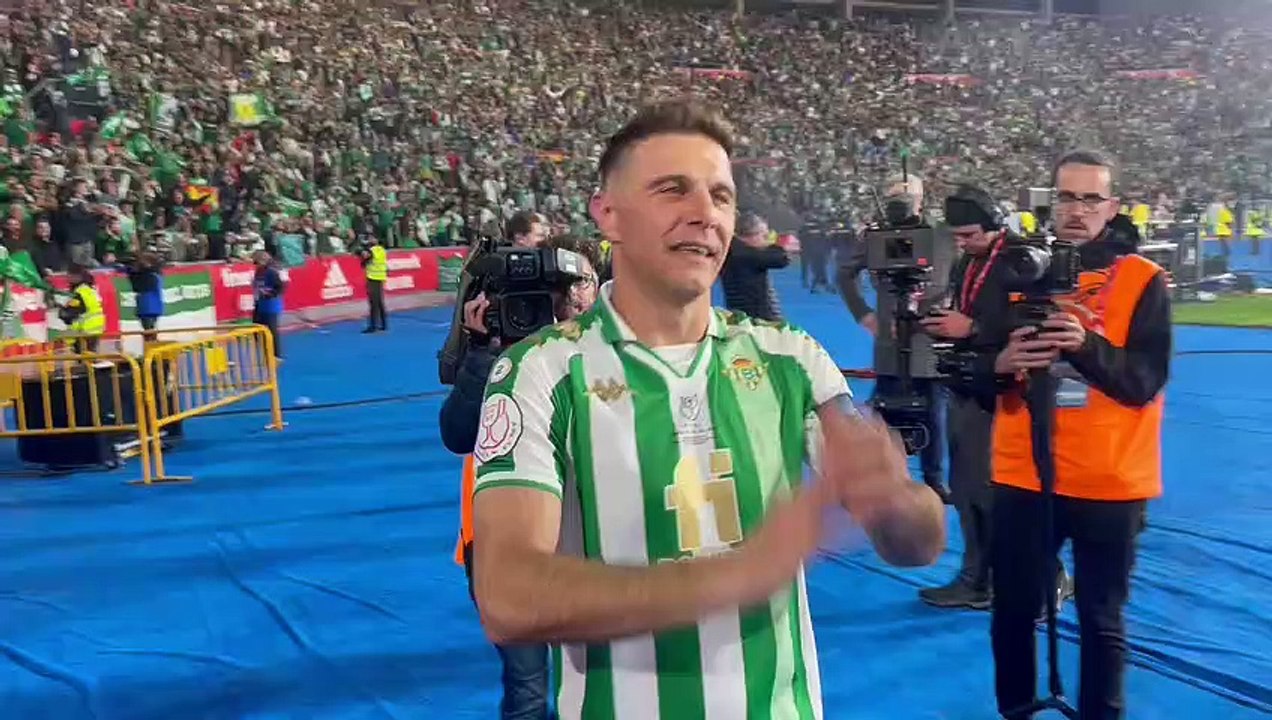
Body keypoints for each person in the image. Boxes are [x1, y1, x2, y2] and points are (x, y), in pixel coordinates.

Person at [470, 99, 946, 718]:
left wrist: (897, 502)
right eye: (673, 190)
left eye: (721, 197)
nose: (705, 215)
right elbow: (507, 598)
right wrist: (737, 575)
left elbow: (915, 547)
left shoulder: (790, 356)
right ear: (608, 214)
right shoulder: (540, 371)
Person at [983, 149, 1171, 720]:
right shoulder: (1016, 269)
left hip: (1109, 481)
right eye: (1066, 196)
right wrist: (999, 361)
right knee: (1012, 609)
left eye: (1091, 198)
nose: (1077, 209)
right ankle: (1015, 709)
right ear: (1050, 201)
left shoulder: (1143, 280)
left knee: (1101, 618)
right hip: (1022, 471)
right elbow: (973, 369)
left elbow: (1143, 381)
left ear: (1111, 207)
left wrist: (1083, 346)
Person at [441, 234, 602, 720]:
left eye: (583, 284)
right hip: (502, 553)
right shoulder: (496, 353)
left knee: (599, 686)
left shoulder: (612, 349)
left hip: (592, 547)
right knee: (528, 692)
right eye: (564, 288)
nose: (572, 298)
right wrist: (484, 351)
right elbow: (458, 433)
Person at [917, 186, 1072, 612]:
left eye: (968, 234)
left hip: (1010, 396)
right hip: (970, 384)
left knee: (996, 494)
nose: (961, 243)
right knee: (967, 493)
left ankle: (1047, 575)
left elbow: (1036, 326)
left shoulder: (1021, 261)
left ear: (993, 223)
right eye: (958, 236)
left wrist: (970, 328)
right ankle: (977, 580)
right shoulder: (971, 259)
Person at [837, 174, 949, 503]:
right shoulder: (876, 235)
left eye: (907, 197)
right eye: (894, 197)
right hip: (890, 337)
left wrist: (947, 308)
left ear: (921, 198)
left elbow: (959, 273)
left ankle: (934, 479)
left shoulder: (942, 235)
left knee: (934, 409)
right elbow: (845, 273)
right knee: (884, 409)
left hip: (931, 334)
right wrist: (863, 313)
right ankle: (881, 476)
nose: (901, 204)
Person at [719, 211, 789, 322]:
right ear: (751, 236)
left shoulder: (731, 251)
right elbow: (782, 259)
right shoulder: (746, 255)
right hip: (759, 319)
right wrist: (773, 244)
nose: (766, 241)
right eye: (764, 236)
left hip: (742, 316)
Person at [59, 264, 105, 353]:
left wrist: (61, 311)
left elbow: (71, 313)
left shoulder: (79, 292)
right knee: (91, 356)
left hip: (84, 330)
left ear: (77, 276)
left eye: (69, 275)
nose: (68, 278)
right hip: (95, 329)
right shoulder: (89, 289)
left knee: (84, 358)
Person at [252, 250, 286, 361]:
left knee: (272, 330)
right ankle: (266, 351)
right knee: (257, 329)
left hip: (270, 305)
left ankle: (276, 355)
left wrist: (270, 294)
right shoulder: (258, 272)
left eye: (256, 262)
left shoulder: (271, 272)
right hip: (260, 303)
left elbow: (280, 287)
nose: (255, 264)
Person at [360, 235, 388, 334]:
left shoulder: (371, 250)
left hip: (372, 277)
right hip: (380, 277)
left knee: (373, 303)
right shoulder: (382, 250)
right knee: (380, 302)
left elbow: (364, 259)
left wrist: (362, 252)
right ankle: (384, 324)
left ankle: (373, 325)